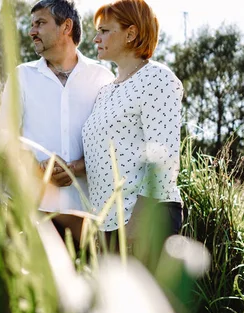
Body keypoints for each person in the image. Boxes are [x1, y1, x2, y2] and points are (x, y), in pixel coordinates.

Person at [0, 0, 114, 243]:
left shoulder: (102, 78)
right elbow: (4, 138)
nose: (32, 31)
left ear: (66, 26)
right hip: (31, 211)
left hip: (87, 214)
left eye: (40, 23)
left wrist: (77, 167)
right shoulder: (21, 76)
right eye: (31, 25)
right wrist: (37, 169)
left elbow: (112, 143)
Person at [82, 0, 184, 260]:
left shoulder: (157, 78)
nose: (96, 38)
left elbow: (163, 158)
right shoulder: (105, 92)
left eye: (105, 31)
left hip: (145, 219)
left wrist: (137, 224)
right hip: (108, 224)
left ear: (131, 33)